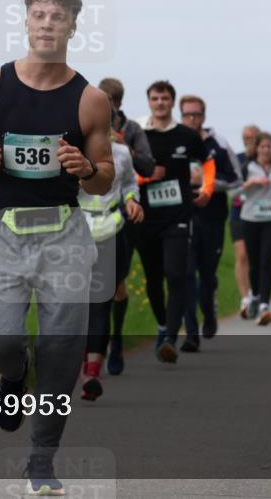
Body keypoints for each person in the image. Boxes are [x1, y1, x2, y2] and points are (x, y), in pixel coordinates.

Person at [0, 0, 114, 495]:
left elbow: (105, 176)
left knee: (63, 351)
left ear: (73, 26)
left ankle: (41, 462)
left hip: (64, 234)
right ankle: (12, 374)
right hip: (3, 233)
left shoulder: (89, 99)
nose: (48, 24)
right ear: (26, 22)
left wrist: (86, 166)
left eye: (59, 17)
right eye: (40, 15)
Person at [135, 80, 214, 361]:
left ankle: (170, 336)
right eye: (155, 98)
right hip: (145, 217)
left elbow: (208, 162)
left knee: (175, 273)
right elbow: (121, 167)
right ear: (149, 102)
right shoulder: (137, 133)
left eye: (165, 98)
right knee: (153, 280)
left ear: (172, 102)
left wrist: (206, 189)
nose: (160, 103)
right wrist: (144, 178)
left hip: (178, 215)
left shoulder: (186, 135)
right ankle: (162, 324)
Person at [77, 121, 143, 400]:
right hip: (75, 233)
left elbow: (130, 182)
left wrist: (131, 199)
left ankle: (93, 371)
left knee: (101, 302)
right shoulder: (71, 150)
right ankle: (78, 362)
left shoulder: (122, 154)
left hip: (110, 230)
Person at [96, 78, 154, 375]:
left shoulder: (130, 131)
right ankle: (91, 348)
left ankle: (115, 340)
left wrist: (127, 148)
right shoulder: (83, 133)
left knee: (116, 286)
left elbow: (146, 168)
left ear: (117, 106)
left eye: (109, 103)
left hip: (118, 220)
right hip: (84, 224)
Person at [180, 94, 241, 343]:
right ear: (181, 115)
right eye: (187, 114)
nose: (192, 119)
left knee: (207, 275)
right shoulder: (175, 141)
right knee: (186, 274)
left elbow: (236, 178)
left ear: (204, 116)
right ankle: (191, 334)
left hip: (212, 218)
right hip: (182, 217)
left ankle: (209, 313)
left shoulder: (218, 143)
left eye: (196, 114)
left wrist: (207, 184)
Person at [237, 131, 271, 326]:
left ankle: (265, 306)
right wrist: (251, 182)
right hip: (250, 218)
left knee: (266, 261)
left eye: (269, 146)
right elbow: (235, 191)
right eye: (262, 146)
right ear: (256, 148)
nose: (266, 150)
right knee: (254, 263)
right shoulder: (247, 167)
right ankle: (256, 296)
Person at [231, 124, 260, 318]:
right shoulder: (236, 159)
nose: (247, 139)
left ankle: (257, 295)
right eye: (244, 136)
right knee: (241, 255)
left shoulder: (266, 161)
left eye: (251, 136)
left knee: (255, 258)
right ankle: (245, 298)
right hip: (238, 212)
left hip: (259, 215)